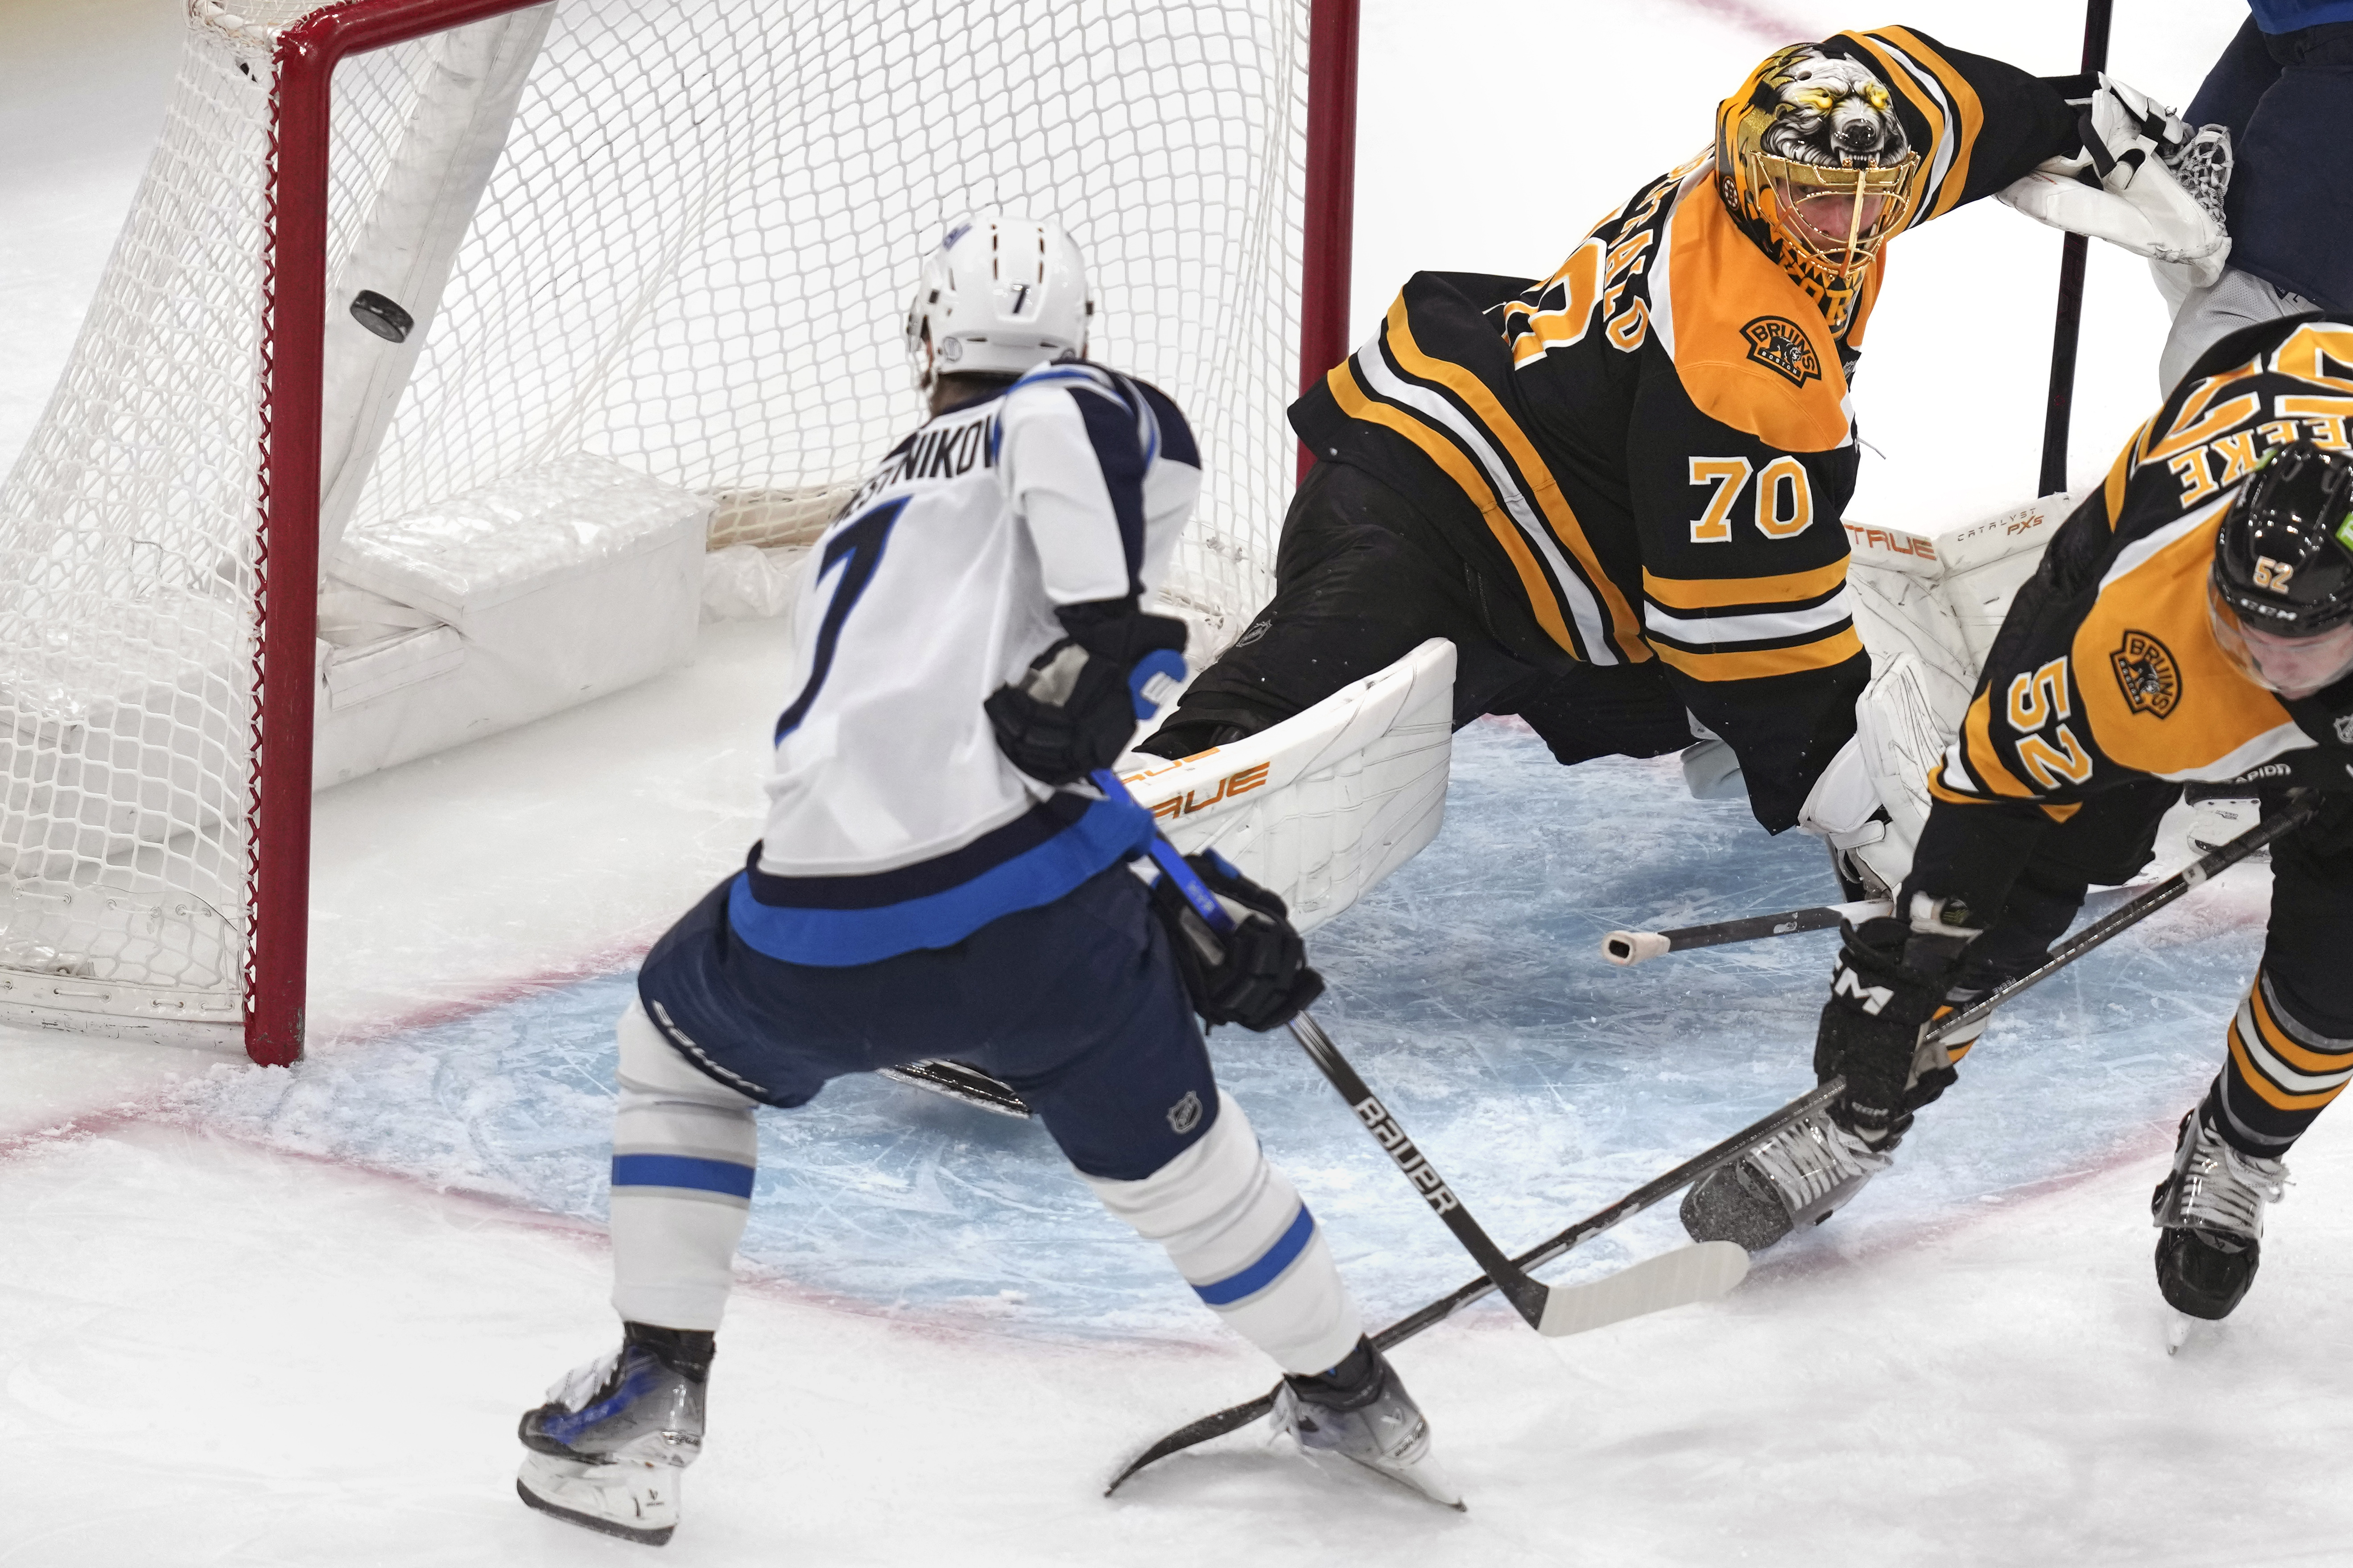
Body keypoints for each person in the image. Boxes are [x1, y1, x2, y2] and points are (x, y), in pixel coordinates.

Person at [511, 214, 1456, 1545]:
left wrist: (1175, 883)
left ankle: (651, 1392)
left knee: (672, 1057)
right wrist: (1105, 642)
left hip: (804, 930)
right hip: (1037, 938)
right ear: (1073, 342)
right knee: (1197, 1181)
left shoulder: (860, 520)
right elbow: (1062, 456)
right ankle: (1355, 1397)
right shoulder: (1082, 407)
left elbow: (945, 766)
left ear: (924, 342)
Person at [1137, 30, 2091, 850]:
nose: (1846, 231)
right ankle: (1063, 876)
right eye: (1817, 200)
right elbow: (1735, 626)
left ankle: (1694, 723)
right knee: (1258, 738)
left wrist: (2063, 122)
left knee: (1656, 682)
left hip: (1520, 509)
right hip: (1432, 529)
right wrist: (1839, 789)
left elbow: (1907, 94)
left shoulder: (1771, 177)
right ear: (1761, 179)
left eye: (1869, 197)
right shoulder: (1746, 361)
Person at [1684, 312, 2353, 1329]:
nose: (2260, 661)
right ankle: (1858, 1112)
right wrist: (1915, 965)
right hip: (2158, 538)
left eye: (2293, 648)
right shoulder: (2146, 641)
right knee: (2014, 882)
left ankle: (2238, 1145)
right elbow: (1996, 800)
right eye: (2240, 624)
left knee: (2339, 976)